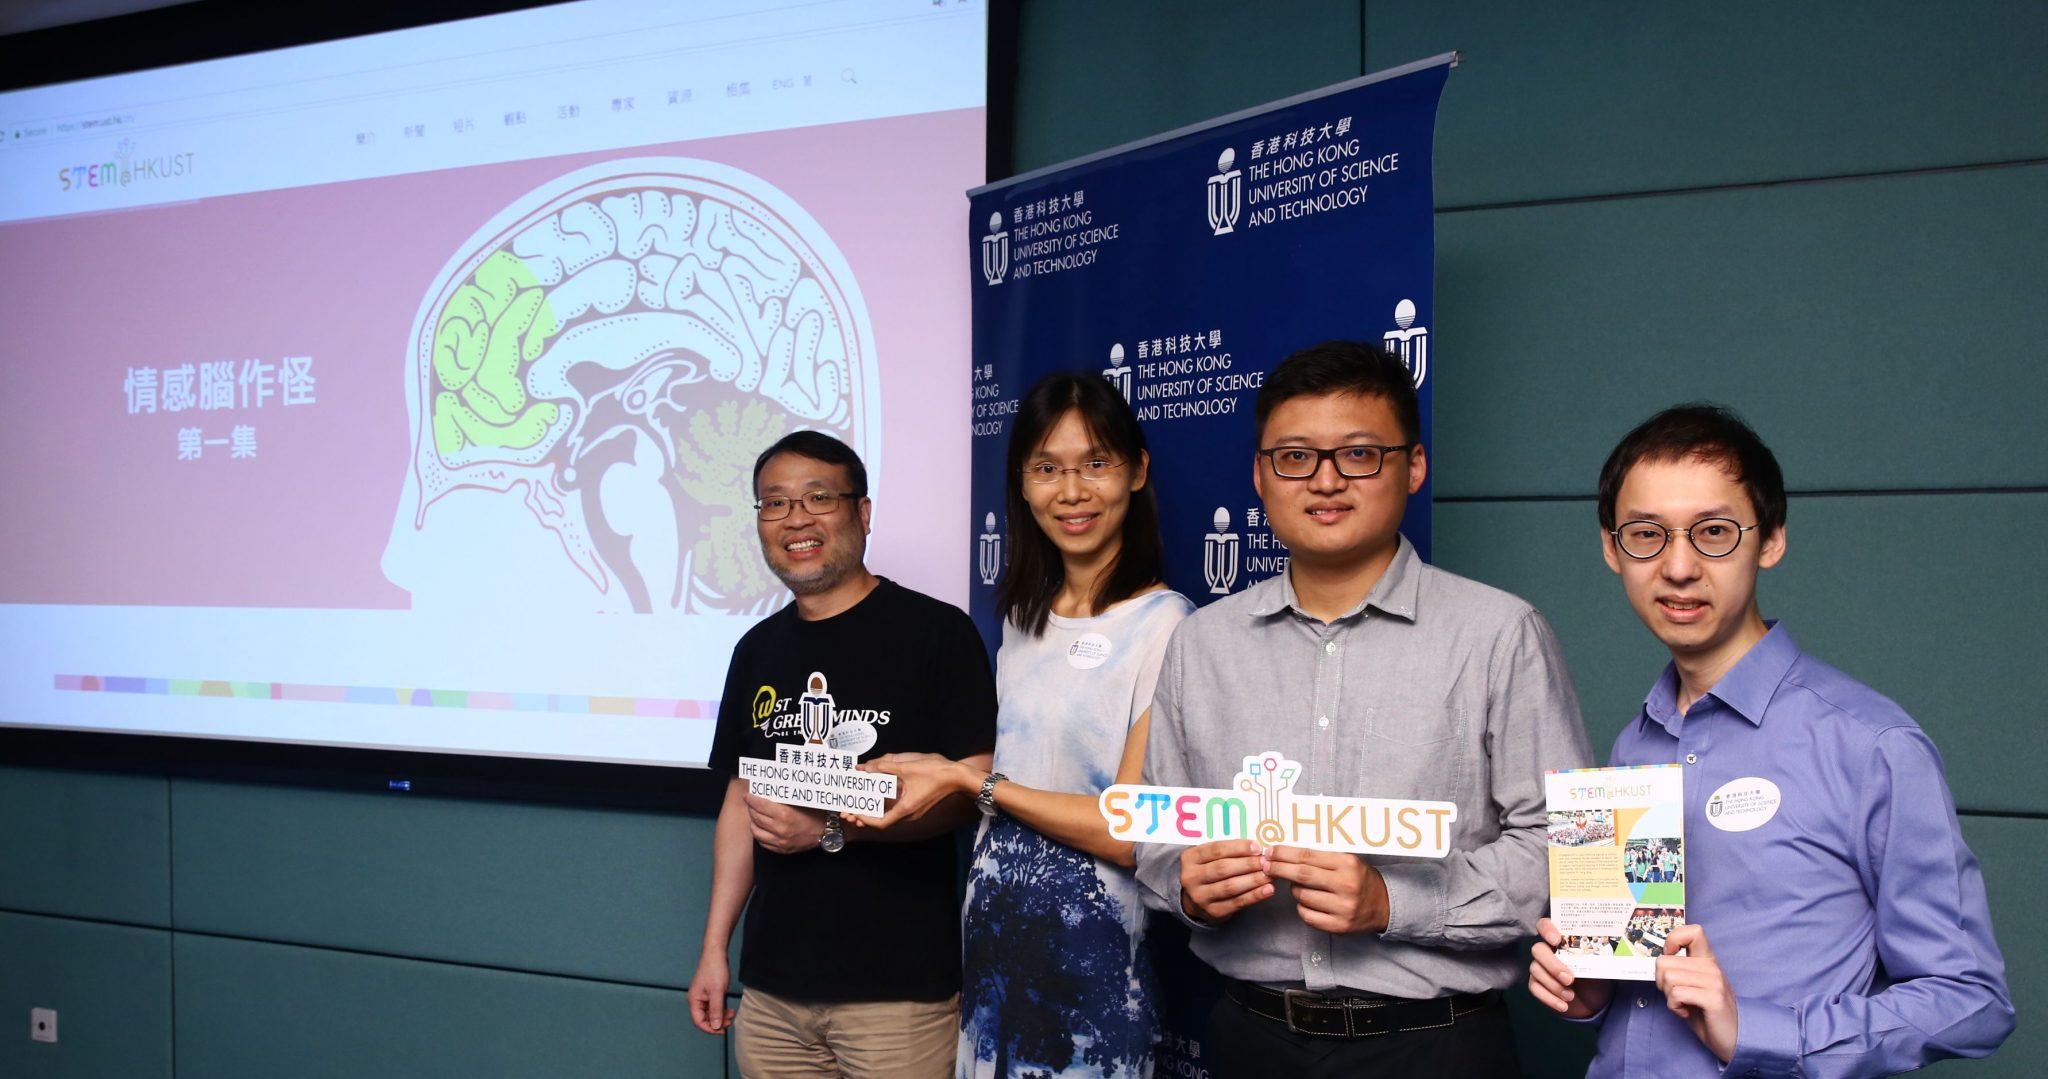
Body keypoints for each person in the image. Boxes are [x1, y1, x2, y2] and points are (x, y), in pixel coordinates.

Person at [1133, 341, 1593, 1077]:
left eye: (1358, 454)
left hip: (1435, 1044)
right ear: (1259, 473)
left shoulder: (1500, 633)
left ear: (1412, 465)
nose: (1324, 480)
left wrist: (1392, 901)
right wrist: (1190, 886)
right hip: (1252, 1037)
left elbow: (1566, 850)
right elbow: (1158, 835)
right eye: (1294, 457)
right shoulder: (1200, 644)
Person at [1526, 404, 2013, 1076]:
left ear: (1772, 538)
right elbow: (1638, 985)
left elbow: (1972, 999)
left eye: (1714, 532)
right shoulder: (1633, 744)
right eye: (1646, 534)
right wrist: (1593, 989)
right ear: (1612, 548)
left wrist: (1755, 1027)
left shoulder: (1870, 743)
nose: (1678, 566)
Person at [858, 371, 1192, 1077]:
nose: (1071, 492)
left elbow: (1129, 830)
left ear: (1137, 470)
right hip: (993, 949)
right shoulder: (1020, 619)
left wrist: (969, 780)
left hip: (1093, 963)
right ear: (1022, 482)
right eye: (1047, 469)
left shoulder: (1168, 624)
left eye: (1096, 463)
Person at [687, 431, 997, 1078]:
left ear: (862, 511)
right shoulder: (756, 650)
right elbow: (741, 800)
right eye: (774, 503)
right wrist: (715, 947)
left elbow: (971, 792)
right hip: (772, 992)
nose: (796, 518)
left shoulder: (936, 633)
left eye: (818, 497)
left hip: (897, 995)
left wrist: (828, 830)